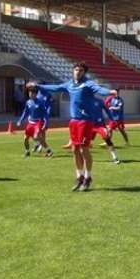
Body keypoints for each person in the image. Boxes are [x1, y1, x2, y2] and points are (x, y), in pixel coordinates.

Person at [34, 62, 116, 192]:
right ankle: (79, 177)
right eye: (76, 70)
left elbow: (99, 89)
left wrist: (110, 92)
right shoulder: (69, 84)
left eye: (81, 70)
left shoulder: (88, 83)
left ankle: (88, 177)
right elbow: (55, 88)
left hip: (85, 121)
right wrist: (38, 86)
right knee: (75, 150)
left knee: (84, 150)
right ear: (73, 71)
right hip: (73, 121)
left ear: (84, 73)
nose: (77, 72)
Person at [16, 85, 52, 158]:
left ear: (36, 94)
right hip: (30, 122)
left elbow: (45, 114)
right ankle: (27, 152)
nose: (30, 95)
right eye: (29, 93)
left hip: (38, 122)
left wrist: (46, 123)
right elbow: (25, 112)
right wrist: (20, 120)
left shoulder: (40, 102)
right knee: (25, 138)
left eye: (32, 93)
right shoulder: (28, 102)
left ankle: (48, 150)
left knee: (36, 137)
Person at [93, 97, 120, 164]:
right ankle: (83, 158)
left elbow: (107, 111)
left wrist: (112, 120)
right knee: (84, 143)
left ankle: (115, 157)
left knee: (107, 138)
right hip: (89, 125)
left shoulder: (100, 101)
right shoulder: (85, 100)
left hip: (100, 125)